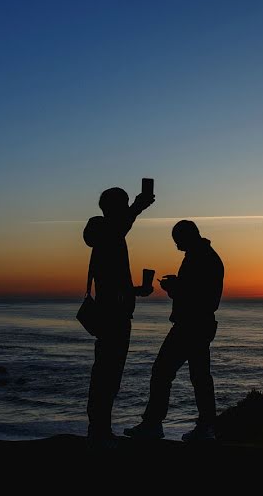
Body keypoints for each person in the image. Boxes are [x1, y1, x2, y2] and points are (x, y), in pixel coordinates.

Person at [124, 220, 224, 442]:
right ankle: (205, 427)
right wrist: (178, 286)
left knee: (162, 372)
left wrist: (174, 288)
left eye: (177, 240)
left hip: (191, 325)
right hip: (199, 324)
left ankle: (154, 424)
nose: (176, 245)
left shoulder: (201, 257)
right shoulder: (203, 256)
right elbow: (199, 291)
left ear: (187, 237)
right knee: (199, 377)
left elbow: (199, 296)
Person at [82, 186, 154, 447]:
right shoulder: (101, 228)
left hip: (117, 311)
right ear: (113, 207)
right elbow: (115, 229)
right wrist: (137, 207)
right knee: (106, 372)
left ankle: (101, 428)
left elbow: (113, 282)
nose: (126, 209)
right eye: (122, 204)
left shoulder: (111, 232)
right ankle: (98, 429)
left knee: (110, 372)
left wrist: (137, 291)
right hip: (112, 314)